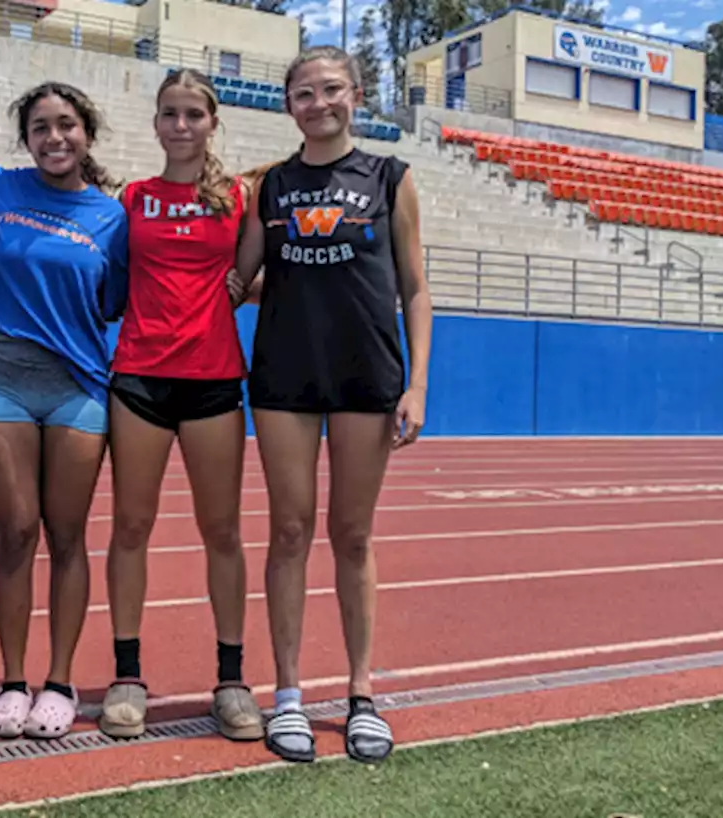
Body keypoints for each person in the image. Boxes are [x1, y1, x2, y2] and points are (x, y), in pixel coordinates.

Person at [229, 46, 433, 764]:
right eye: (304, 94)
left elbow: (413, 287)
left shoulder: (390, 177)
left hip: (365, 376)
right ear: (288, 106)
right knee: (289, 531)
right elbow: (238, 278)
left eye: (331, 91)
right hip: (284, 374)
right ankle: (287, 694)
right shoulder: (271, 186)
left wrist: (417, 383)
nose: (319, 104)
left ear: (357, 94)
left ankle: (360, 695)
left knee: (353, 535)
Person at [97, 68, 262, 743]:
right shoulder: (131, 198)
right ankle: (127, 676)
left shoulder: (239, 199)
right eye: (170, 113)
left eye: (194, 113)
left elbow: (263, 273)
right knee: (130, 527)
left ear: (212, 121)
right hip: (139, 376)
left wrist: (240, 291)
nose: (182, 125)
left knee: (221, 531)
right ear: (157, 122)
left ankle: (230, 680)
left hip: (215, 380)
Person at [0, 82, 129, 741]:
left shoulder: (112, 218)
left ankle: (58, 682)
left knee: (67, 535)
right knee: (16, 533)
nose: (54, 138)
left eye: (66, 125)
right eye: (40, 127)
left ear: (87, 133)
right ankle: (10, 681)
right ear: (25, 137)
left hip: (77, 387)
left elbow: (112, 302)